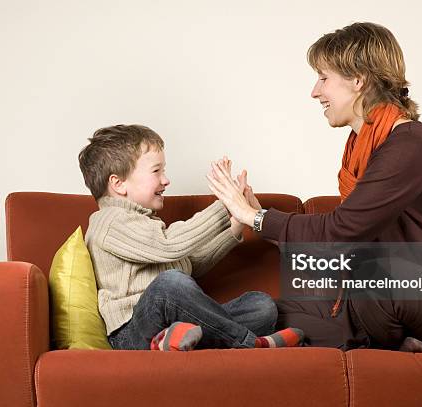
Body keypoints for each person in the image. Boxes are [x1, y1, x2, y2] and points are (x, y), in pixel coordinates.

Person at [206, 22, 422, 352]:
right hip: (396, 299)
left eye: (324, 78)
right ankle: (190, 329)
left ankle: (379, 342)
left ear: (358, 79)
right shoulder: (363, 151)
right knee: (275, 311)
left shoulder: (410, 144)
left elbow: (341, 233)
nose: (315, 91)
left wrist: (257, 217)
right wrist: (261, 220)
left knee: (378, 272)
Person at [78, 124, 304, 351]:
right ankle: (249, 342)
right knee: (170, 283)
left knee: (261, 306)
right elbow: (170, 245)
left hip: (173, 324)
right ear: (118, 184)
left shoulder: (145, 223)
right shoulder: (109, 222)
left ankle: (173, 340)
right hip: (131, 334)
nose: (166, 180)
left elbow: (188, 264)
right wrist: (225, 203)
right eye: (156, 171)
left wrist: (236, 222)